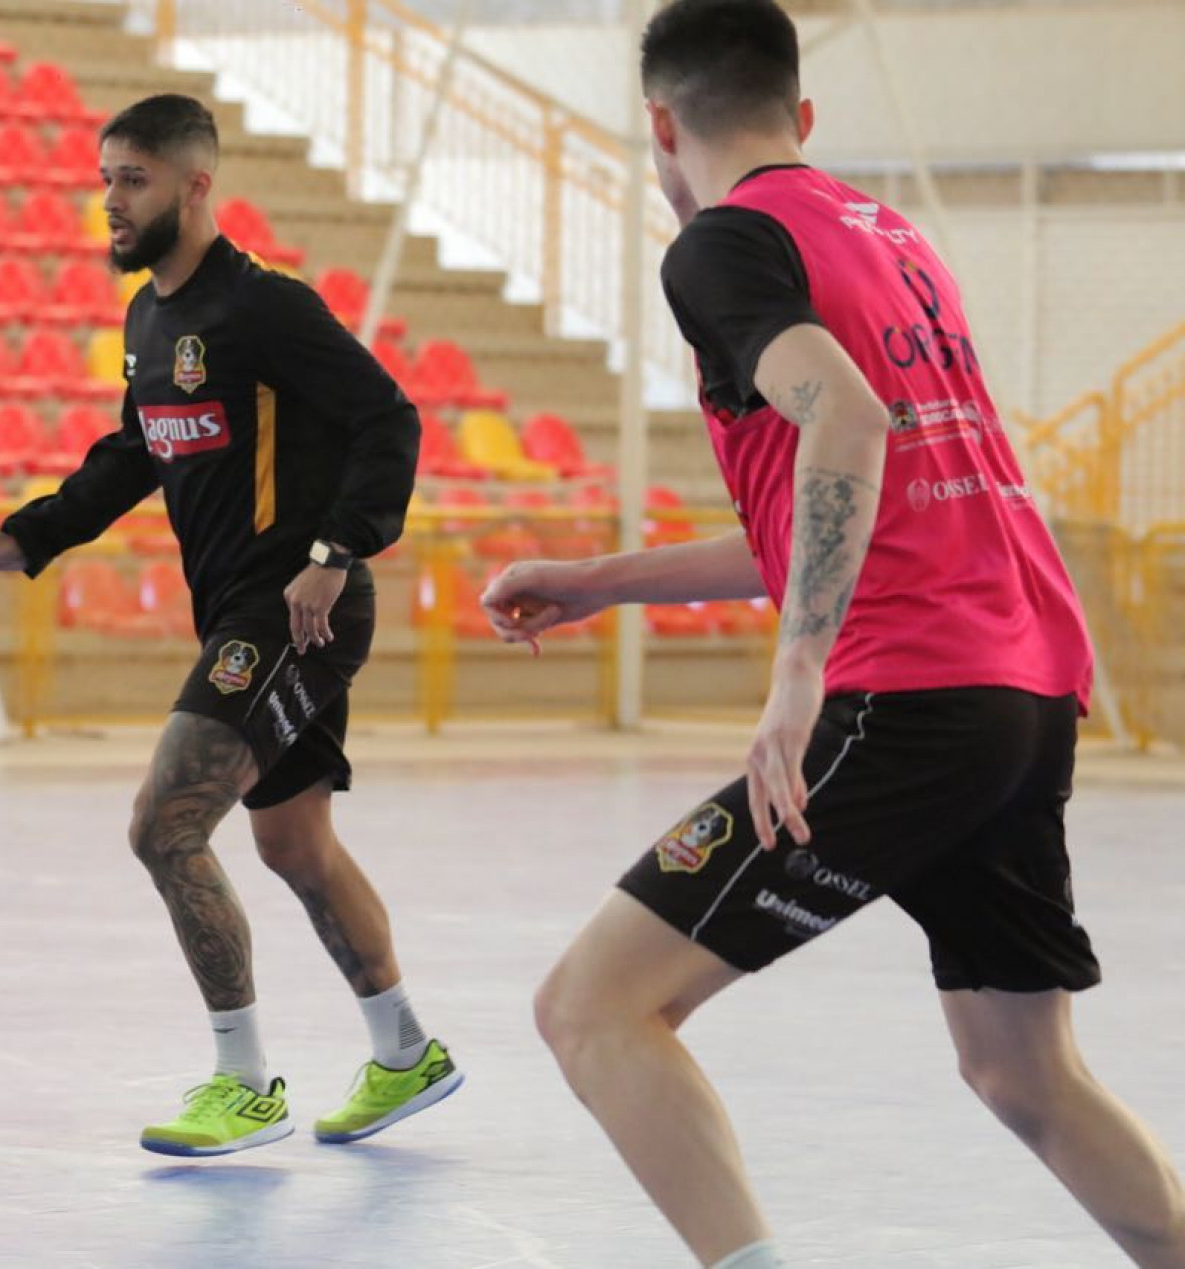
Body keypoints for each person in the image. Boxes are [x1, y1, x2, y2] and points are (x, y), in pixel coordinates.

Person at [481, 2, 1185, 1265]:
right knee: (1022, 1073)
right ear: (800, 117)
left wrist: (795, 679)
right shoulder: (889, 239)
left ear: (658, 126)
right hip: (1020, 694)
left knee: (592, 1011)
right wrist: (601, 577)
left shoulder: (721, 245)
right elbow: (835, 511)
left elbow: (845, 431)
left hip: (905, 696)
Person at [0, 94, 462, 1158]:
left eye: (131, 181)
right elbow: (133, 454)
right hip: (239, 611)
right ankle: (406, 1054)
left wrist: (332, 554)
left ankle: (244, 1083)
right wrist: (21, 538)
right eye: (102, 183)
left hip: (294, 604)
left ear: (193, 184)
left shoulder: (263, 308)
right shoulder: (150, 321)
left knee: (162, 826)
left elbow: (387, 417)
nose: (111, 205)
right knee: (294, 843)